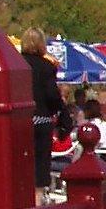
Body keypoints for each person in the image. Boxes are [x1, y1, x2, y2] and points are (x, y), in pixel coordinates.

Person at [19, 29, 66, 198]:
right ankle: (37, 201)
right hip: (41, 120)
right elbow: (52, 96)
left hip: (20, 122)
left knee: (20, 167)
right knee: (39, 169)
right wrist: (58, 112)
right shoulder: (47, 67)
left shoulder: (17, 64)